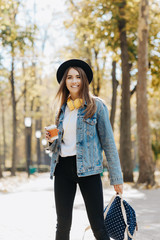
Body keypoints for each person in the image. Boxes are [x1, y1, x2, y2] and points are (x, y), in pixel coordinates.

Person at [45, 59, 123, 240]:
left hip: (89, 170)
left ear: (84, 80)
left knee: (98, 226)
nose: (74, 81)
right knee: (62, 224)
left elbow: (108, 143)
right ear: (65, 81)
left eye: (78, 77)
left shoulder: (97, 106)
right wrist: (50, 141)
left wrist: (116, 177)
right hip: (62, 169)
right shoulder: (62, 109)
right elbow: (58, 145)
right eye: (70, 77)